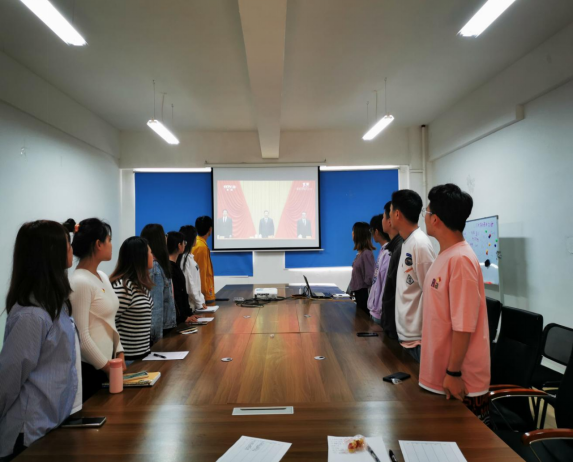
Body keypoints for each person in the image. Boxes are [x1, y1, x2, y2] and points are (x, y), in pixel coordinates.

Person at [0, 221, 80, 461]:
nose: (71, 249)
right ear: (51, 254)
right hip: (28, 433)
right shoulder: (32, 316)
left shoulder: (54, 305)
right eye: (67, 244)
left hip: (50, 425)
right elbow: (8, 380)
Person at [419, 184, 491, 424]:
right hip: (441, 374)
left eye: (426, 212)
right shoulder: (446, 255)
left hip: (459, 382)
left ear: (435, 219)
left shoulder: (461, 259)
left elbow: (464, 325)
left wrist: (453, 372)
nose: (425, 217)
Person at [68, 218, 125, 403]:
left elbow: (110, 321)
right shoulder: (80, 282)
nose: (111, 245)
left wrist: (119, 352)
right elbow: (81, 337)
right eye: (109, 240)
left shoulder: (101, 276)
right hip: (91, 369)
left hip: (109, 363)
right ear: (98, 244)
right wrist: (107, 367)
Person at [390, 190, 436, 362]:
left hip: (418, 339)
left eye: (390, 211)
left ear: (397, 214)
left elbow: (431, 293)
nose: (389, 215)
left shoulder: (420, 244)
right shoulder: (407, 242)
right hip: (407, 336)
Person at [109, 237, 154, 362]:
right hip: (128, 359)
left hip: (143, 355)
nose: (152, 256)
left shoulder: (139, 284)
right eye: (150, 252)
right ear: (140, 257)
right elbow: (110, 323)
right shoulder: (124, 287)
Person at [140, 224, 176, 343]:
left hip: (165, 326)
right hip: (160, 330)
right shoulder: (154, 268)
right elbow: (156, 307)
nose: (166, 238)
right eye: (164, 235)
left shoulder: (158, 265)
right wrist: (157, 341)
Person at [380, 201, 404, 340]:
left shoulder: (400, 248)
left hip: (396, 325)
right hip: (391, 321)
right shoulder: (393, 247)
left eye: (384, 216)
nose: (382, 220)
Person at [167, 231, 199, 324]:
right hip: (178, 319)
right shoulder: (171, 268)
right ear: (179, 245)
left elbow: (183, 294)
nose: (185, 245)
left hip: (182, 317)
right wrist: (183, 317)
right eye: (184, 243)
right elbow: (176, 296)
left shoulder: (175, 266)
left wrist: (189, 314)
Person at [367, 214, 391, 325]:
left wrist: (380, 308)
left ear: (376, 231)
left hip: (380, 312)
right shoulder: (383, 250)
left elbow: (385, 284)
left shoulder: (388, 253)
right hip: (375, 310)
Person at [179, 225, 209, 312]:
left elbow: (196, 285)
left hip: (195, 304)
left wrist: (201, 301)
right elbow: (190, 284)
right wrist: (199, 303)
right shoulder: (184, 259)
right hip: (191, 305)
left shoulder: (190, 257)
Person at [347, 222, 376, 313]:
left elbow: (370, 278)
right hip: (358, 294)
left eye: (354, 231)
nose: (352, 233)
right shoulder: (360, 253)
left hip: (364, 295)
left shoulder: (366, 254)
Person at [192, 216, 216, 304]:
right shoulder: (201, 247)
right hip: (204, 296)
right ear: (210, 229)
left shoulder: (197, 243)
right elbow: (201, 272)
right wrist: (203, 296)